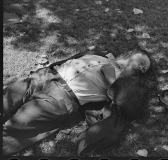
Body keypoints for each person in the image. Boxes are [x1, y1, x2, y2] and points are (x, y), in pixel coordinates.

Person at [3, 49, 151, 156]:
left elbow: (134, 109)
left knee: (18, 124)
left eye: (144, 69)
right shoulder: (100, 53)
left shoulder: (126, 82)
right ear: (132, 53)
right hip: (44, 78)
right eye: (142, 61)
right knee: (7, 96)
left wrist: (114, 80)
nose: (142, 67)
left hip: (61, 98)